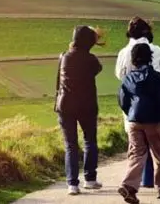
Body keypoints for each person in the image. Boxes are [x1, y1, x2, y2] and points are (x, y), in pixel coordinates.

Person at [118, 44, 160, 203]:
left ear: (133, 59)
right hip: (153, 121)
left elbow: (122, 101)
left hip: (134, 121)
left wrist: (131, 112)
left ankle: (129, 186)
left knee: (137, 154)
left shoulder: (128, 78)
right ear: (149, 57)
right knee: (159, 154)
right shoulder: (157, 77)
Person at [114, 17, 160, 189]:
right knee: (157, 147)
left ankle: (139, 182)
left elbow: (119, 75)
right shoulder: (157, 50)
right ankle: (157, 183)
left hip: (133, 106)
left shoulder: (124, 52)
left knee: (137, 147)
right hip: (154, 107)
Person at [55, 26, 104, 195]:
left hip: (65, 105)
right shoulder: (91, 60)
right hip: (87, 106)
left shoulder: (64, 57)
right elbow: (98, 69)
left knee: (71, 145)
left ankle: (72, 184)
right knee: (90, 141)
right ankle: (90, 179)